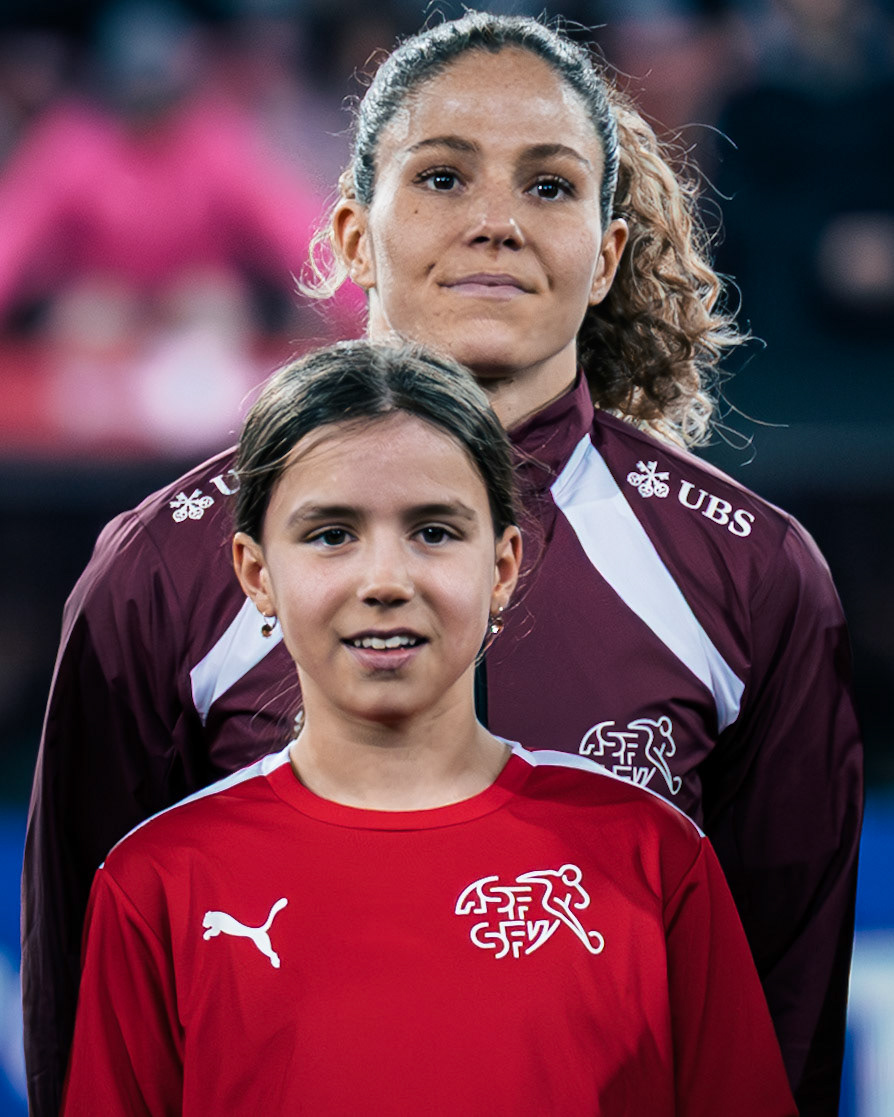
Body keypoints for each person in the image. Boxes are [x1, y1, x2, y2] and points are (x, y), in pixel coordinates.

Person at [24, 12, 862, 1116]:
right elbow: (89, 1027)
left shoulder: (744, 574)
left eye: (552, 187)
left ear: (607, 254)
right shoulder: (164, 572)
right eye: (443, 177)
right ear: (354, 234)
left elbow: (776, 1036)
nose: (499, 223)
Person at [60, 340, 797, 1116]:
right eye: (331, 534)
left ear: (504, 567)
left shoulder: (651, 855)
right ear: (256, 575)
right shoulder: (155, 884)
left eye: (435, 532)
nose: (385, 581)